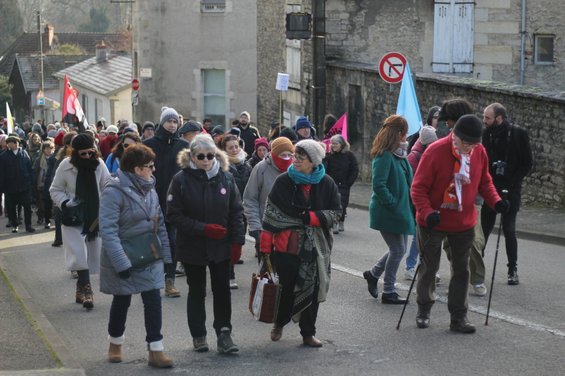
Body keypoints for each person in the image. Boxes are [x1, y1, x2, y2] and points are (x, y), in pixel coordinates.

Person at [411, 115, 507, 333]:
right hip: (433, 221)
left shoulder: (478, 152)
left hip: (463, 222)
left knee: (462, 270)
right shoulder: (435, 151)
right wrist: (426, 213)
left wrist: (496, 201)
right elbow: (418, 188)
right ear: (455, 136)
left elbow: (484, 182)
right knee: (429, 268)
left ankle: (458, 317)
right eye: (466, 143)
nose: (470, 148)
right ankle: (424, 308)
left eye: (474, 144)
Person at [166, 134, 245, 354]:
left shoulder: (226, 178)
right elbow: (173, 215)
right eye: (201, 156)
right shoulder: (180, 180)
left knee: (222, 290)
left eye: (210, 155)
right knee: (197, 290)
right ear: (192, 156)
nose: (206, 160)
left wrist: (237, 242)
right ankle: (198, 335)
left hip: (220, 246)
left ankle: (224, 333)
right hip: (193, 246)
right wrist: (203, 228)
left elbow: (237, 211)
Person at [259, 139, 341, 347]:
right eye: (295, 156)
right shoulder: (284, 181)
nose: (295, 161)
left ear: (313, 161)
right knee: (285, 289)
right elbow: (271, 214)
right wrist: (265, 247)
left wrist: (312, 218)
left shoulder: (327, 183)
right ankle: (279, 323)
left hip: (316, 248)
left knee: (312, 289)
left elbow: (336, 214)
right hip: (287, 247)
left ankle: (308, 333)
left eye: (300, 158)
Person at [99, 144, 173, 368]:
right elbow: (108, 230)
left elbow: (159, 225)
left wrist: (168, 259)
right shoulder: (113, 191)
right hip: (123, 254)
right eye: (149, 166)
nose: (154, 170)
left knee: (153, 300)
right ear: (136, 168)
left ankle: (156, 350)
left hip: (149, 254)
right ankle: (115, 343)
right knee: (122, 299)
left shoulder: (150, 189)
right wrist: (121, 263)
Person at [50, 133, 111, 310]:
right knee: (79, 253)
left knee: (90, 254)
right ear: (74, 152)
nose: (86, 157)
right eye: (82, 154)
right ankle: (87, 290)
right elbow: (55, 189)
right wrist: (66, 203)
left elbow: (107, 185)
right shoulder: (65, 165)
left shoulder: (99, 164)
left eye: (90, 153)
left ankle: (80, 289)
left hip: (94, 216)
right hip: (72, 216)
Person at [362, 115, 414, 305]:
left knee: (399, 249)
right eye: (405, 132)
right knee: (398, 249)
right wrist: (393, 203)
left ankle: (373, 274)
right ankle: (389, 291)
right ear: (398, 134)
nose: (406, 136)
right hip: (388, 212)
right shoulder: (384, 155)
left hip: (401, 211)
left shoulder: (399, 155)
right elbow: (379, 185)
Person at [481, 102, 533, 285]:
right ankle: (476, 268)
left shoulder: (518, 134)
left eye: (487, 118)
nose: (484, 121)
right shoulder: (486, 134)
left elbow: (527, 163)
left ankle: (513, 270)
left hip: (511, 189)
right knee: (484, 230)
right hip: (491, 187)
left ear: (499, 118)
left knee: (509, 229)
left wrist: (512, 182)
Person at [143, 107, 189, 298]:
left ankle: (169, 281)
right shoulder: (148, 144)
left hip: (175, 202)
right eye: (168, 121)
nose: (172, 124)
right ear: (162, 123)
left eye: (174, 121)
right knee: (152, 242)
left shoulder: (184, 145)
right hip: (151, 200)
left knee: (172, 241)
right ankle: (149, 279)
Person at [243, 137, 295, 258]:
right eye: (283, 155)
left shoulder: (295, 169)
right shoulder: (261, 168)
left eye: (289, 154)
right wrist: (255, 225)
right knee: (267, 273)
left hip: (290, 231)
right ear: (274, 154)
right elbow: (250, 198)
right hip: (266, 229)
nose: (286, 158)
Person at [404, 125, 438, 280]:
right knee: (419, 235)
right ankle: (411, 266)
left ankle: (426, 267)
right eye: (431, 143)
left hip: (429, 201)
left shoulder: (429, 153)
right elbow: (413, 183)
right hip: (417, 201)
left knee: (428, 236)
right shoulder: (414, 157)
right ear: (425, 143)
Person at [220, 134, 252, 288]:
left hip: (243, 209)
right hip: (227, 210)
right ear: (224, 150)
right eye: (230, 147)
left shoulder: (247, 164)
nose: (234, 150)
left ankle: (229, 266)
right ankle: (229, 274)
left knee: (238, 239)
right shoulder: (222, 165)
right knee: (228, 241)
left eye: (236, 146)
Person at [45, 131, 77, 247]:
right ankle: (59, 238)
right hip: (63, 192)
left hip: (74, 193)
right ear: (68, 145)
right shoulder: (61, 159)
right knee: (60, 213)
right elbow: (54, 176)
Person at [324, 134, 359, 233]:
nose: (333, 145)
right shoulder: (329, 156)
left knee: (342, 204)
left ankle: (341, 221)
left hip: (344, 184)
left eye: (336, 143)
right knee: (332, 204)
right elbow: (325, 168)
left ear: (342, 144)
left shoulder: (349, 155)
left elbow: (355, 169)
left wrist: (349, 182)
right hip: (332, 184)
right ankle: (334, 223)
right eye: (332, 143)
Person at [0, 135, 35, 233]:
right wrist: (2, 187)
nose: (14, 144)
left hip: (25, 185)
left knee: (27, 207)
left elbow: (30, 168)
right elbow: (2, 173)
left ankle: (28, 225)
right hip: (11, 186)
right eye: (11, 142)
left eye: (15, 142)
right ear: (8, 145)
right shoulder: (3, 156)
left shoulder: (24, 154)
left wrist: (32, 181)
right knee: (12, 207)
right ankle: (15, 225)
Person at [32, 140, 55, 229]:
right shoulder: (39, 160)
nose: (49, 150)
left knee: (50, 203)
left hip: (52, 183)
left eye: (51, 148)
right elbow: (35, 171)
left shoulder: (55, 159)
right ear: (43, 150)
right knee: (42, 203)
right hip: (41, 184)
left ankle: (48, 219)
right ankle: (44, 219)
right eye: (47, 148)